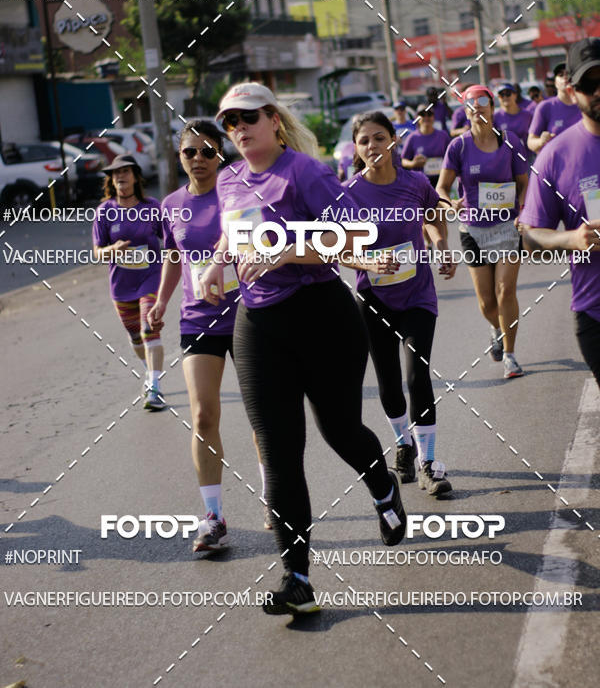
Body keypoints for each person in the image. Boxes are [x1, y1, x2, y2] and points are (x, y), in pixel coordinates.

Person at [200, 82, 406, 616]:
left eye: (248, 118)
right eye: (229, 123)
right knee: (278, 450)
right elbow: (234, 232)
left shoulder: (306, 173)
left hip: (323, 319)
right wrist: (215, 264)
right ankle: (297, 578)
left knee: (339, 431)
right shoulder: (228, 178)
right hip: (259, 325)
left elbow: (353, 240)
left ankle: (383, 486)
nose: (239, 130)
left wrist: (286, 253)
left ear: (273, 119)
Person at [344, 110, 456, 495]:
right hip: (374, 297)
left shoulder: (416, 183)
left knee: (416, 375)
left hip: (417, 295)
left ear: (393, 141)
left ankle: (429, 463)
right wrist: (367, 260)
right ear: (356, 149)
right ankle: (403, 444)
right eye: (364, 141)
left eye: (379, 138)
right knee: (389, 381)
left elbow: (432, 216)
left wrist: (440, 244)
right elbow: (333, 247)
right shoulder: (349, 192)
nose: (372, 146)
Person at [147, 121, 240, 553]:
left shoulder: (237, 191)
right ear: (179, 157)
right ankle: (213, 516)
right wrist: (162, 302)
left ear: (219, 155)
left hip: (247, 314)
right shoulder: (171, 204)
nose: (199, 159)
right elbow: (172, 256)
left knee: (262, 416)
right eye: (190, 152)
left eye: (207, 151)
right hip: (196, 319)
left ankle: (273, 498)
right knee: (203, 416)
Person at [520, 38, 600, 388]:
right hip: (596, 312)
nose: (599, 91)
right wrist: (573, 237)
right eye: (589, 85)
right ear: (572, 89)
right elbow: (529, 235)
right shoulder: (556, 156)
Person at [437, 85, 529, 379]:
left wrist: (524, 207)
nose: (477, 107)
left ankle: (511, 356)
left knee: (506, 292)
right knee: (487, 302)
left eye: (482, 102)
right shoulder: (459, 147)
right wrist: (449, 201)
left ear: (492, 107)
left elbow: (524, 182)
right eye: (471, 103)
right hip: (472, 230)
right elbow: (441, 186)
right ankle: (497, 329)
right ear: (465, 111)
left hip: (506, 226)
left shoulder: (510, 141)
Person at [92, 154, 165, 410]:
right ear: (111, 180)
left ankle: (154, 389)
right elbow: (97, 252)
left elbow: (169, 238)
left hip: (150, 278)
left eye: (125, 171)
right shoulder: (104, 212)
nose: (120, 176)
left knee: (148, 329)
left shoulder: (152, 206)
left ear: (135, 176)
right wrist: (113, 249)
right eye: (115, 173)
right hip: (121, 285)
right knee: (135, 336)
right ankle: (149, 370)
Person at [528, 64, 581, 154]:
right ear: (555, 83)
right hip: (558, 165)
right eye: (560, 75)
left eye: (568, 74)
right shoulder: (545, 107)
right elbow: (530, 142)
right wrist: (541, 141)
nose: (565, 77)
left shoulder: (585, 103)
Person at [401, 103, 451, 187]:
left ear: (433, 117)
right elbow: (403, 161)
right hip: (420, 183)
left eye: (429, 114)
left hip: (442, 181)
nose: (426, 117)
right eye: (423, 115)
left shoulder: (443, 136)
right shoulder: (412, 138)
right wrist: (413, 164)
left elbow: (452, 157)